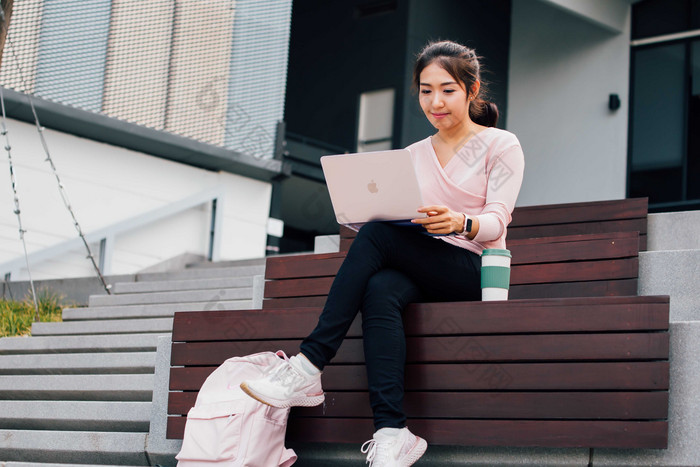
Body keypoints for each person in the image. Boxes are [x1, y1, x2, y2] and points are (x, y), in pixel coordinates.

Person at [240, 40, 525, 467]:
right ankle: (393, 432)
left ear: (472, 89)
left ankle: (309, 364)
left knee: (375, 237)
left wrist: (459, 223)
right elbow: (396, 218)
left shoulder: (501, 145)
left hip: (471, 268)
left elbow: (497, 222)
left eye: (447, 89)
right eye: (426, 90)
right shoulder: (412, 155)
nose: (435, 101)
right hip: (418, 264)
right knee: (379, 286)